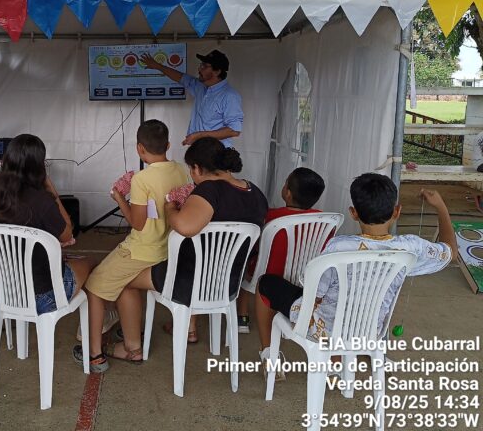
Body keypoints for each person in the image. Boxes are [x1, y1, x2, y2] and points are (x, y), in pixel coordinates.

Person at [255, 173, 458, 378]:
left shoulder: (338, 247)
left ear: (353, 213)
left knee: (267, 283)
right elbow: (451, 252)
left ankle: (269, 355)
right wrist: (441, 207)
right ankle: (337, 359)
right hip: (370, 332)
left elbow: (314, 293)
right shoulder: (410, 248)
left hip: (324, 331)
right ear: (397, 212)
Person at [114, 138, 267, 355]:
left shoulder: (208, 191)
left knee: (122, 280)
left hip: (190, 280)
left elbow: (184, 227)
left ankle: (131, 347)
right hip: (228, 281)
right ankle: (189, 328)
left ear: (197, 168)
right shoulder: (255, 192)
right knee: (199, 256)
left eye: (191, 169)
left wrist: (170, 209)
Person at [73, 120, 189, 371]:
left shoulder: (142, 179)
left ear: (139, 148)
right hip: (167, 249)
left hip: (140, 250)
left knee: (94, 287)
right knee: (125, 285)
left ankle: (94, 354)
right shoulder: (182, 170)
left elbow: (137, 223)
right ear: (168, 145)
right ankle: (132, 348)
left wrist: (118, 197)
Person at [0, 134, 93, 317]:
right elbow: (68, 235)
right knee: (91, 263)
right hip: (43, 296)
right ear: (39, 166)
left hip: (2, 293)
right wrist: (50, 188)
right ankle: (94, 330)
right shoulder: (41, 200)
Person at [236, 167, 326, 334]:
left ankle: (242, 316)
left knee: (245, 261)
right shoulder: (324, 219)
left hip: (268, 275)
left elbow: (256, 243)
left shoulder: (270, 216)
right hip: (303, 275)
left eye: (286, 184)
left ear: (288, 193)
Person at [141, 49, 243, 147]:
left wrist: (199, 135)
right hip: (199, 150)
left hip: (217, 155)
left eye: (204, 66)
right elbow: (181, 77)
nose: (199, 69)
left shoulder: (229, 96)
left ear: (217, 72)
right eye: (201, 65)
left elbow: (234, 130)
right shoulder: (201, 87)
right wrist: (157, 66)